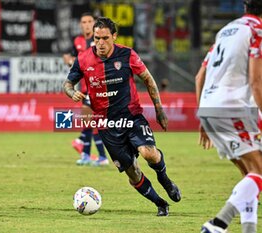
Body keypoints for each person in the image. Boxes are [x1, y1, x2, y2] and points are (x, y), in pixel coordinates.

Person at [63, 17, 181, 216]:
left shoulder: (127, 55)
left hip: (131, 116)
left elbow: (149, 81)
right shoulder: (83, 58)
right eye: (97, 38)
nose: (100, 43)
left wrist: (159, 110)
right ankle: (160, 203)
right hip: (107, 125)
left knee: (148, 153)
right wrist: (71, 92)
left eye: (105, 38)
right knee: (133, 172)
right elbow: (67, 83)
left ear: (114, 37)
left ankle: (164, 179)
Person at [196, 1, 262, 232]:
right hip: (233, 107)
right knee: (259, 172)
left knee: (253, 175)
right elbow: (256, 81)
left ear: (245, 7)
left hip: (211, 107)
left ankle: (248, 229)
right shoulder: (257, 31)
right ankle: (217, 224)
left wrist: (203, 116)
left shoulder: (226, 30)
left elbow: (199, 76)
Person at [63, 12, 108, 166]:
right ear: (80, 24)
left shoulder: (98, 41)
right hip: (84, 86)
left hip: (97, 86)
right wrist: (70, 61)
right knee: (88, 122)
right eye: (84, 22)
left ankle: (102, 157)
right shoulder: (77, 40)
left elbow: (97, 60)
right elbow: (68, 57)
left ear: (94, 23)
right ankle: (86, 155)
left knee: (94, 122)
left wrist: (77, 61)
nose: (87, 24)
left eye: (89, 21)